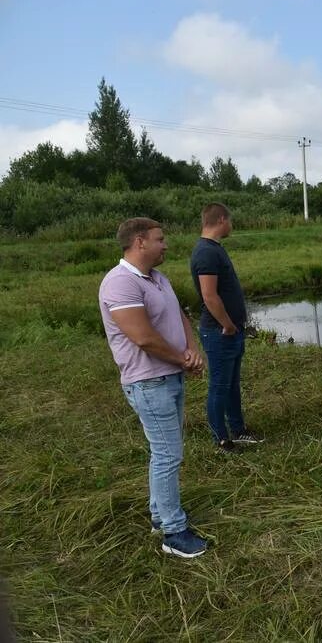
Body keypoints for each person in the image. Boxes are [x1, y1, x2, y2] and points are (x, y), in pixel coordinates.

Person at [98, 218, 208, 558]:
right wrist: (181, 359)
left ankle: (160, 516)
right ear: (140, 241)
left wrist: (190, 351)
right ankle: (173, 533)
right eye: (161, 239)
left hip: (169, 375)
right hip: (148, 381)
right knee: (168, 455)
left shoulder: (157, 279)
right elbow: (143, 338)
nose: (166, 245)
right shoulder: (119, 283)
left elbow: (180, 316)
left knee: (163, 453)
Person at [190, 203, 262, 452]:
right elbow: (209, 296)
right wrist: (228, 325)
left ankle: (238, 430)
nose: (232, 225)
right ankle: (221, 438)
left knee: (231, 384)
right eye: (230, 221)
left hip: (229, 331)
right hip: (220, 332)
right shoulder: (206, 253)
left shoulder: (213, 249)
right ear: (221, 220)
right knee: (220, 386)